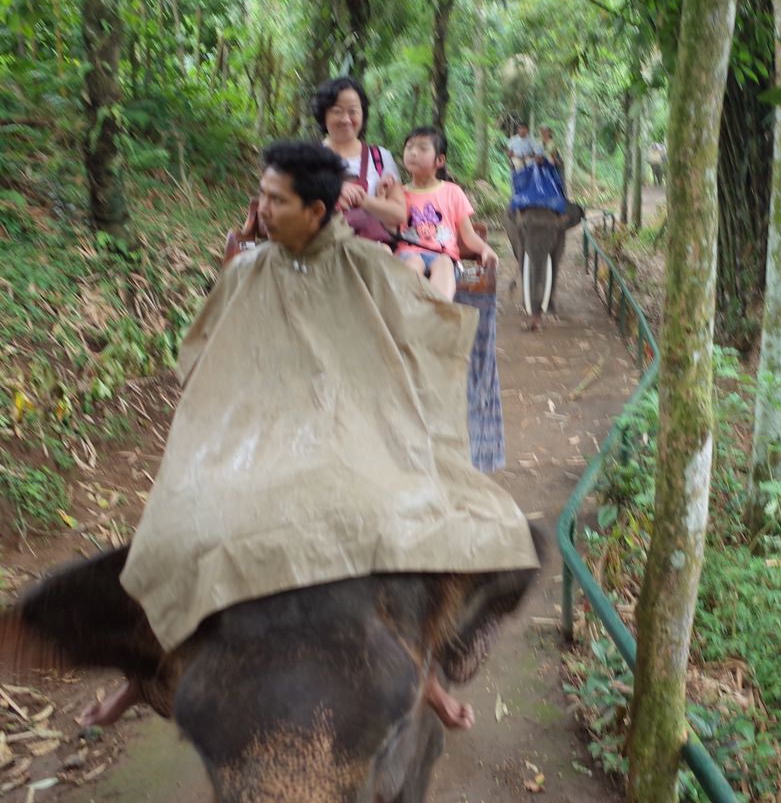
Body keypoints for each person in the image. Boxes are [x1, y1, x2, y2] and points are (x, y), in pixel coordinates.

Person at [83, 141, 510, 733]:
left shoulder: (369, 269)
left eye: (275, 200)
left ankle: (426, 681)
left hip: (353, 436)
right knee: (176, 537)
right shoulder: (248, 271)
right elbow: (204, 355)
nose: (262, 208)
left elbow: (421, 339)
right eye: (261, 196)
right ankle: (140, 680)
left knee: (406, 542)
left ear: (316, 210)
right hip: (261, 439)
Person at [387, 126, 497, 301]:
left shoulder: (452, 192)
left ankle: (440, 308)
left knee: (444, 263)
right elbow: (389, 230)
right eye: (409, 147)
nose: (413, 153)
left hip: (443, 255)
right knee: (413, 263)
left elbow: (468, 235)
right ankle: (407, 307)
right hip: (407, 253)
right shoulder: (398, 193)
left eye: (422, 148)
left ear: (439, 160)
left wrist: (485, 249)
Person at [312, 75, 407, 234]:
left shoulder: (380, 157)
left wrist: (362, 200)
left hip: (371, 246)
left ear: (363, 114)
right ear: (323, 114)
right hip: (319, 245)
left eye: (353, 111)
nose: (346, 119)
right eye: (337, 111)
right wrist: (334, 190)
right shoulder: (307, 158)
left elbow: (399, 215)